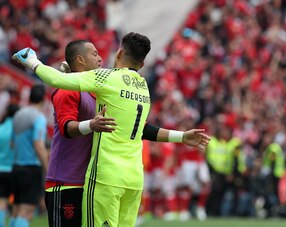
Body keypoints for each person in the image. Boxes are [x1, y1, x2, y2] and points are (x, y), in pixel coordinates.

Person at [12, 32, 210, 227]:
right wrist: (181, 136)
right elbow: (142, 128)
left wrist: (32, 61)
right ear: (141, 65)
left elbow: (56, 80)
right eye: (95, 54)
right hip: (133, 179)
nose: (100, 59)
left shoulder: (106, 78)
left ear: (118, 53)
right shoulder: (143, 87)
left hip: (106, 176)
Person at [44, 40, 117, 227]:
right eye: (94, 54)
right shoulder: (67, 90)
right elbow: (67, 127)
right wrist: (92, 125)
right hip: (66, 182)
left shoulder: (95, 92)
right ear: (80, 59)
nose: (100, 58)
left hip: (89, 184)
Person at [11, 84, 49, 227]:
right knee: (26, 211)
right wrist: (47, 169)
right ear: (44, 99)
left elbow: (12, 143)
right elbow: (39, 146)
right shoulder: (39, 117)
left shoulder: (18, 114)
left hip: (16, 166)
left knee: (16, 209)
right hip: (30, 168)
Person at [0, 103, 19, 227]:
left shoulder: (1, 128)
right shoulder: (19, 129)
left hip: (1, 170)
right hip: (15, 170)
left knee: (1, 202)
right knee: (17, 204)